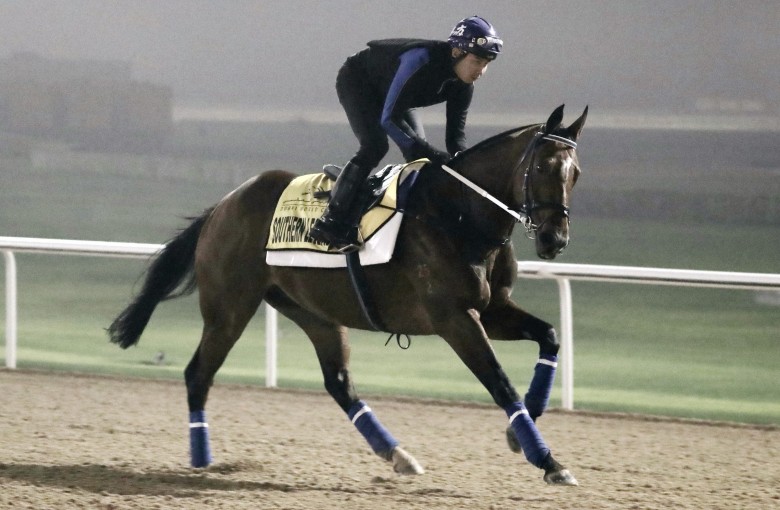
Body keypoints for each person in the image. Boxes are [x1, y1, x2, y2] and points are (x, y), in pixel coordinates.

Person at [309, 15, 503, 253]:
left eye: (486, 63)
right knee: (375, 146)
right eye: (476, 61)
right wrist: (429, 151)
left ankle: (419, 224)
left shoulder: (464, 86)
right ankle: (331, 221)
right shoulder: (420, 60)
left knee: (419, 161)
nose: (481, 71)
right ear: (456, 52)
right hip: (359, 81)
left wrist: (463, 167)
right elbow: (389, 119)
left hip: (396, 95)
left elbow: (455, 139)